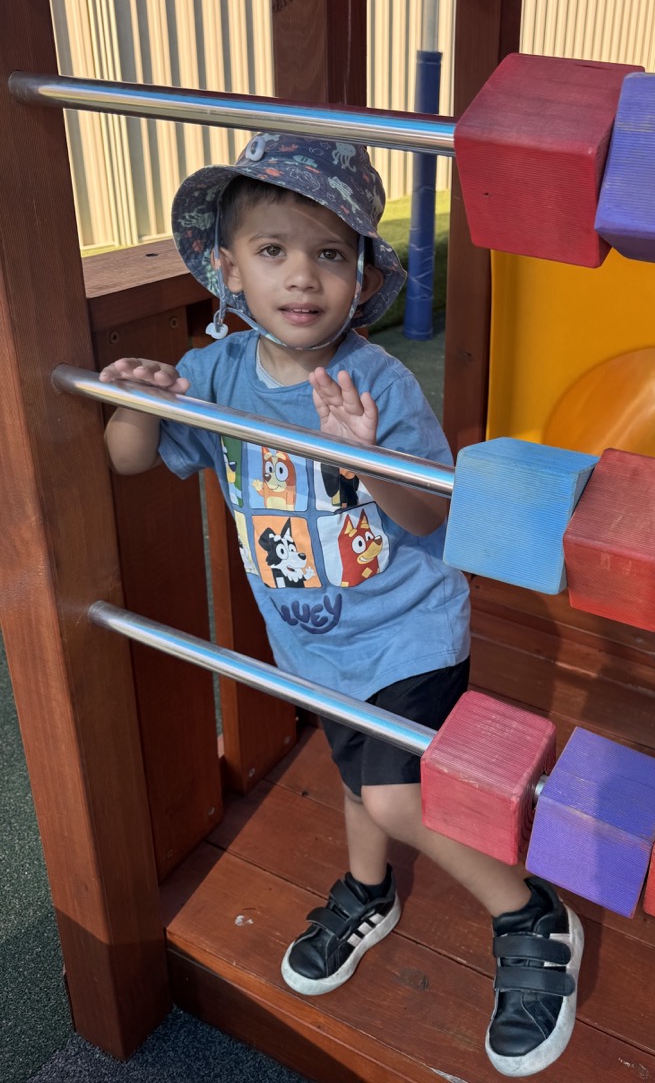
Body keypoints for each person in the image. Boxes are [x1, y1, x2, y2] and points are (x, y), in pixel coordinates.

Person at [99, 132, 582, 1077]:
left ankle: (531, 915)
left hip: (407, 629)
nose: (302, 277)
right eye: (273, 251)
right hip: (313, 642)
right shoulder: (217, 375)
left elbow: (430, 514)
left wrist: (364, 454)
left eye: (329, 253)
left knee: (402, 797)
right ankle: (370, 893)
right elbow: (127, 459)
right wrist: (146, 399)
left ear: (362, 277)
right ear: (229, 270)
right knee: (361, 778)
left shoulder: (379, 382)